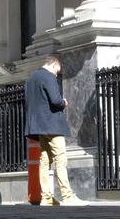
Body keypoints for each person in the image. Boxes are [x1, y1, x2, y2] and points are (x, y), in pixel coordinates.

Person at [25, 55, 81, 206]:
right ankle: (68, 196)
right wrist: (64, 103)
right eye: (58, 70)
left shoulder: (31, 78)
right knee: (60, 159)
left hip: (38, 126)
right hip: (52, 125)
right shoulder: (49, 77)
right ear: (54, 65)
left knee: (44, 161)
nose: (57, 74)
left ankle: (46, 198)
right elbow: (55, 101)